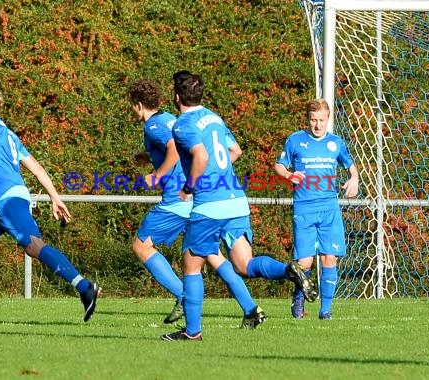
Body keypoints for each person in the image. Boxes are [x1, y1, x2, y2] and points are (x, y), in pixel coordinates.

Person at [161, 71, 317, 341]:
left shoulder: (181, 125)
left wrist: (189, 187)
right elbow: (235, 151)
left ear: (176, 97)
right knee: (244, 264)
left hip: (209, 205)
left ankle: (192, 331)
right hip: (236, 201)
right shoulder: (215, 118)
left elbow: (200, 156)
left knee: (191, 263)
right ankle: (289, 270)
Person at [0, 81, 100, 323]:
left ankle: (84, 287)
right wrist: (55, 197)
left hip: (8, 200)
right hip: (2, 202)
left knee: (34, 246)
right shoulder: (10, 134)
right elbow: (36, 168)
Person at [129, 79, 266, 328]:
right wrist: (148, 156)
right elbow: (179, 148)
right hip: (197, 200)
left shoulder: (153, 125)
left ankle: (183, 296)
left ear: (138, 105)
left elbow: (172, 148)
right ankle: (251, 308)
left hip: (177, 200)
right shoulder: (171, 118)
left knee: (141, 246)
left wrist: (158, 174)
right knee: (212, 255)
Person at [274, 98, 359, 320]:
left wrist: (354, 179)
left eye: (321, 120)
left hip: (329, 207)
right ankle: (299, 297)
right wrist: (288, 175)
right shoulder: (295, 140)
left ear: (328, 119)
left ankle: (326, 311)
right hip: (304, 208)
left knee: (329, 258)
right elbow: (279, 165)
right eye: (313, 120)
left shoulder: (335, 143)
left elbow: (351, 166)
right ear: (307, 119)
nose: (318, 125)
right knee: (304, 263)